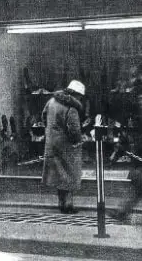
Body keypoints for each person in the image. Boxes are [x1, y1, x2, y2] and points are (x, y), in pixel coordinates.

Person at [112, 74, 142, 222]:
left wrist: (139, 147)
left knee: (141, 181)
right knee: (139, 183)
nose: (132, 89)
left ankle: (122, 212)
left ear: (141, 87)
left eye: (135, 86)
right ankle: (122, 212)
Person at [42, 79, 85, 213]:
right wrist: (78, 141)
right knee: (70, 174)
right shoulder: (71, 107)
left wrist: (51, 131)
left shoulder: (51, 101)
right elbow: (74, 130)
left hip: (51, 142)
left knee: (59, 175)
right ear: (76, 94)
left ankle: (61, 203)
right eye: (80, 96)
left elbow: (43, 117)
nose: (80, 99)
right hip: (66, 145)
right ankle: (68, 205)